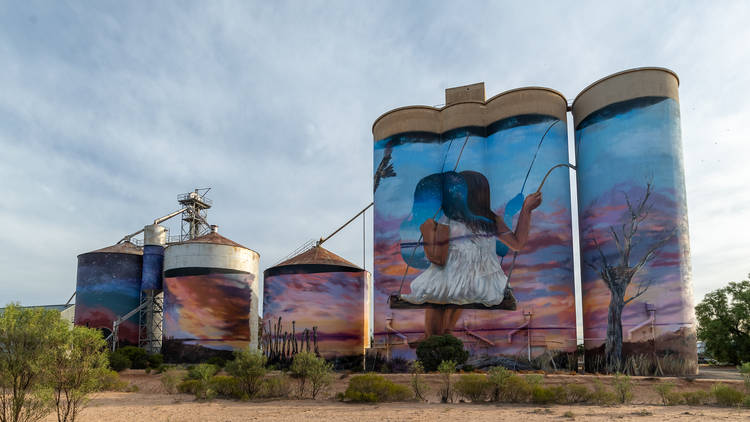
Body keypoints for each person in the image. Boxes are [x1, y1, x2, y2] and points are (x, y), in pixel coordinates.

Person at [401, 170, 542, 338]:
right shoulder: (491, 220)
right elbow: (517, 243)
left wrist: (430, 228)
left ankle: (432, 336)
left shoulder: (450, 217)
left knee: (437, 290)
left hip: (457, 279)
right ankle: (443, 334)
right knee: (449, 289)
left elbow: (438, 255)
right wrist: (526, 210)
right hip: (483, 282)